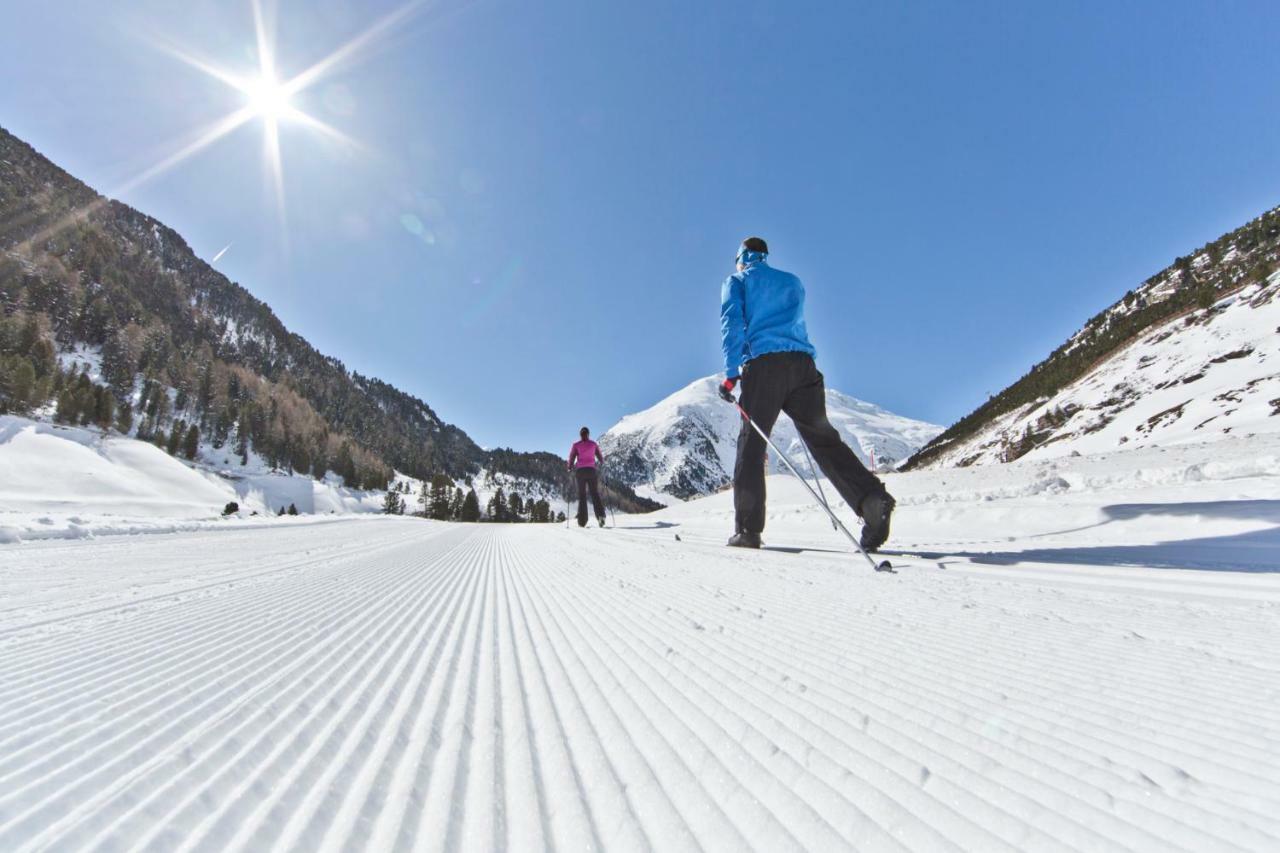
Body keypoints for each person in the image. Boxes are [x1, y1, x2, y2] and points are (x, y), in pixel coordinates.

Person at [718, 236, 895, 550]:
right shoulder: (792, 282)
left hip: (764, 366)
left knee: (751, 445)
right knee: (824, 440)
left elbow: (732, 326)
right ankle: (870, 498)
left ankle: (747, 529)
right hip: (804, 367)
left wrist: (731, 376)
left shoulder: (737, 282)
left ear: (743, 256)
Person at [568, 426, 607, 527]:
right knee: (594, 493)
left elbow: (572, 456)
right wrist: (602, 462)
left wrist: (570, 466)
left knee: (582, 495)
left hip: (580, 472)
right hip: (591, 471)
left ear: (580, 435)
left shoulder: (576, 445)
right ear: (588, 434)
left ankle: (582, 521)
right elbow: (599, 456)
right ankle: (601, 516)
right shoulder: (593, 444)